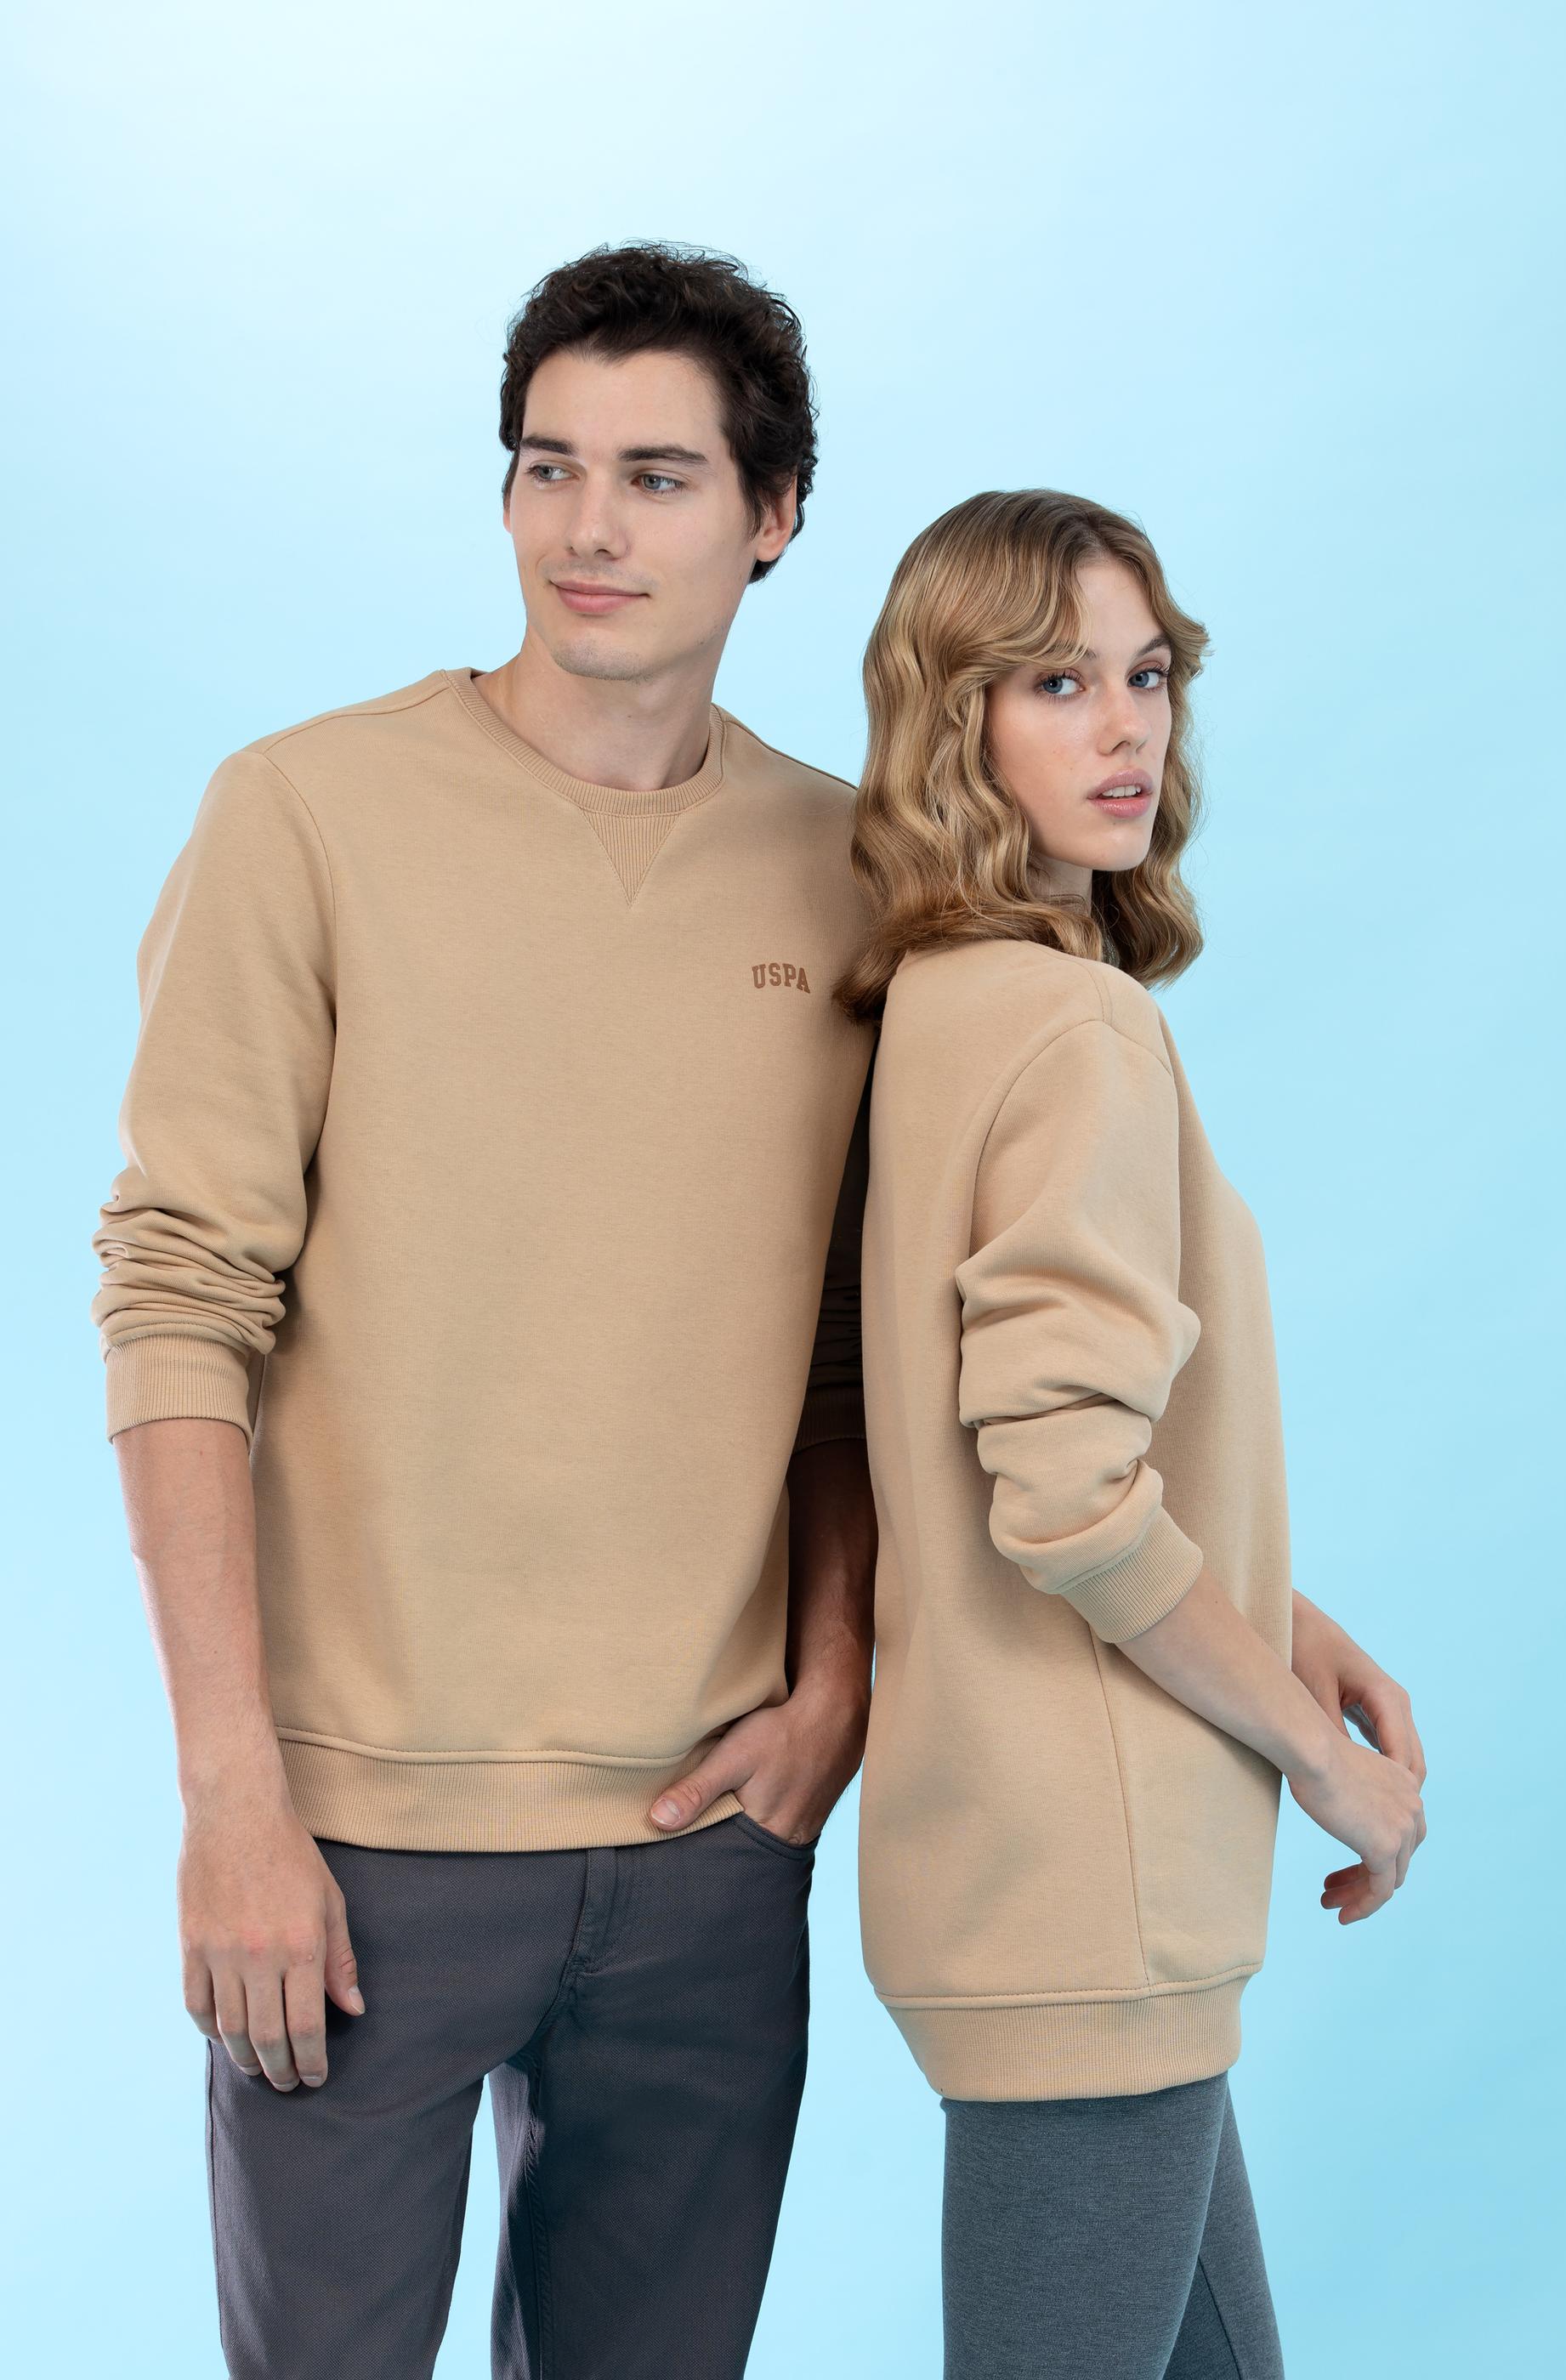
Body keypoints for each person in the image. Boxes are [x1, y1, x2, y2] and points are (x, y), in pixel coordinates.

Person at [91, 243, 878, 2380]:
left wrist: (834, 1681)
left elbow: (844, 1348)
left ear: (773, 512)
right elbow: (179, 1300)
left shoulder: (851, 870)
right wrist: (232, 1793)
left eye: (655, 475)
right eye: (548, 467)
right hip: (356, 1846)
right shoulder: (306, 810)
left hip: (710, 1848)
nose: (587, 527)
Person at [837, 489, 1427, 2379]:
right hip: (1092, 1897)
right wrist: (1324, 1769)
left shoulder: (941, 1004)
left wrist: (1282, 1613)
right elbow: (1067, 1497)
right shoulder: (1073, 1032)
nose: (1124, 729)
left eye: (1147, 674)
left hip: (1051, 1886)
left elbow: (1035, 1448)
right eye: (1054, 681)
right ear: (958, 720)